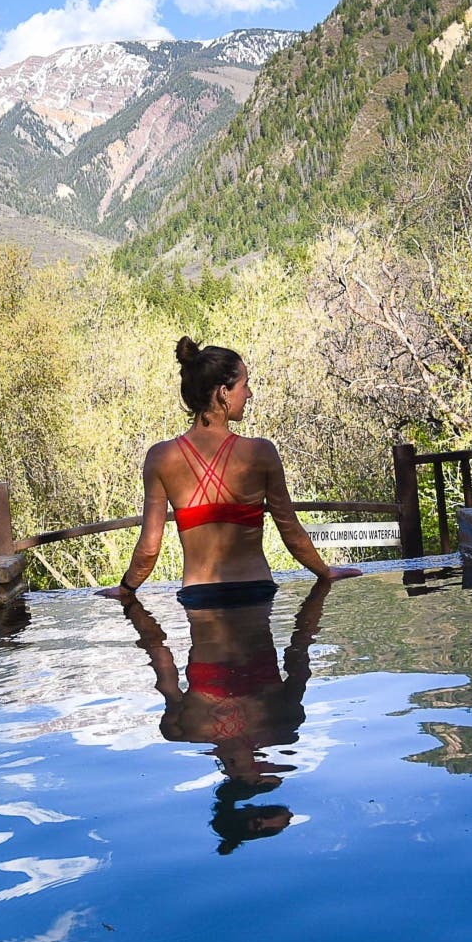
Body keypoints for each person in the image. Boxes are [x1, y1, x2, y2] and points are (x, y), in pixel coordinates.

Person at [97, 337, 360, 610]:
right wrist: (324, 572)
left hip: (199, 596)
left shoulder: (160, 457)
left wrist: (126, 588)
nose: (249, 394)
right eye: (245, 385)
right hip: (256, 591)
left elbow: (149, 548)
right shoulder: (261, 453)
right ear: (224, 392)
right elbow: (290, 531)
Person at [116, 578, 332, 853]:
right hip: (224, 592)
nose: (275, 772)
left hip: (226, 592)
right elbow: (160, 658)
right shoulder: (181, 732)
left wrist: (131, 602)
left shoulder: (283, 726)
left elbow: (300, 652)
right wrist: (133, 608)